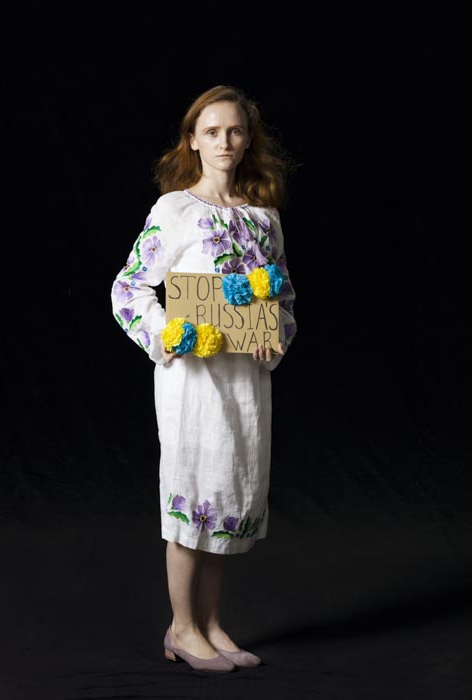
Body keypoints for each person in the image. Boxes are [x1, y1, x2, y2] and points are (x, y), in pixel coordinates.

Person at [111, 85, 297, 672]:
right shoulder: (175, 210)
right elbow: (129, 288)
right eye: (212, 131)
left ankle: (212, 624)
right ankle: (182, 627)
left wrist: (273, 335)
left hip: (244, 381)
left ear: (248, 139)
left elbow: (283, 301)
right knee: (193, 495)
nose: (225, 142)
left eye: (235, 131)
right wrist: (168, 333)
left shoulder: (264, 218)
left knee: (228, 495)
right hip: (193, 382)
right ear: (192, 140)